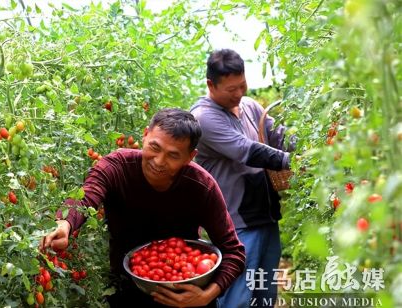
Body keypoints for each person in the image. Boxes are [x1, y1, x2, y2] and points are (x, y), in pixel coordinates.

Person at [42, 108, 246, 307]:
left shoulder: (202, 186)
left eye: (173, 156)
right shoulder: (117, 166)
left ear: (190, 157)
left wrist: (206, 296)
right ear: (145, 135)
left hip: (186, 291)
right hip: (127, 290)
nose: (159, 161)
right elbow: (87, 195)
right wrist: (65, 222)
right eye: (155, 148)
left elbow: (234, 252)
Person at [190, 49, 294, 308]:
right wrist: (295, 162)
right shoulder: (204, 118)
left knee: (264, 295)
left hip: (265, 216)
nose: (239, 94)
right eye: (231, 89)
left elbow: (276, 134)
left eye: (242, 85)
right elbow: (248, 151)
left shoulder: (248, 106)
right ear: (210, 85)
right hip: (235, 225)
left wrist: (314, 144)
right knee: (237, 298)